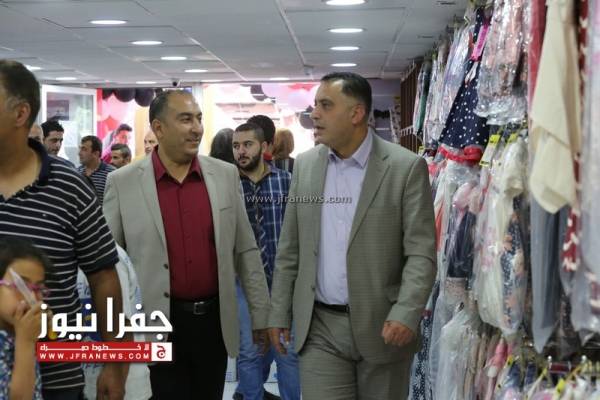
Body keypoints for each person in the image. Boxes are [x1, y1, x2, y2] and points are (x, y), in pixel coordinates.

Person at [268, 72, 436, 400]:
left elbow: (421, 253)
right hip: (320, 328)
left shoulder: (405, 168)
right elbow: (290, 247)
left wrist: (407, 310)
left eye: (326, 105)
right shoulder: (306, 166)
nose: (314, 114)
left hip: (383, 326)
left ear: (357, 113)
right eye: (315, 105)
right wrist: (279, 311)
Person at [103, 90, 271, 400]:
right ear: (159, 128)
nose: (196, 128)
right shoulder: (123, 182)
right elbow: (111, 265)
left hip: (212, 324)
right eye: (185, 119)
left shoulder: (224, 175)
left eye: (199, 118)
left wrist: (261, 315)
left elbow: (246, 250)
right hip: (154, 323)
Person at [0, 59, 126, 400]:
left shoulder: (68, 186)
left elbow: (104, 277)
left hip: (56, 375)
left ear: (20, 113)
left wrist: (115, 362)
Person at [232, 123, 300, 400]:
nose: (241, 151)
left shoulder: (285, 182)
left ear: (263, 147)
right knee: (249, 352)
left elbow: (297, 232)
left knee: (287, 352)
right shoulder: (229, 186)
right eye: (236, 146)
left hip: (282, 280)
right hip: (244, 284)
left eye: (247, 144)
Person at [77, 244, 152, 400]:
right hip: (90, 382)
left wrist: (116, 385)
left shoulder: (108, 259)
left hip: (122, 388)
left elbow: (123, 328)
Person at [0, 237, 49, 400]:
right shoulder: (24, 339)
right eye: (20, 286)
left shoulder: (18, 335)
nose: (32, 298)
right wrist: (26, 342)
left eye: (39, 288)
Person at [78, 135, 116, 205]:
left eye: (84, 149)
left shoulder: (111, 173)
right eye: (80, 149)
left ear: (96, 154)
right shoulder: (77, 172)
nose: (79, 153)